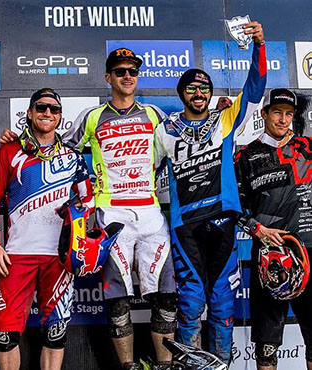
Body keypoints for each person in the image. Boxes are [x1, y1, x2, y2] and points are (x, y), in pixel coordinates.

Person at [154, 21, 266, 364]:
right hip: (185, 224)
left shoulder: (225, 120)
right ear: (182, 94)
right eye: (191, 89)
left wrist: (260, 46)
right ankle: (189, 365)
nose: (198, 94)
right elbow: (142, 174)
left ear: (209, 92)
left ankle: (222, 363)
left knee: (221, 302)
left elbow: (255, 89)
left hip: (223, 220)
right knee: (189, 302)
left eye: (203, 88)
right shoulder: (165, 130)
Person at [63, 48, 177, 370]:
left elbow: (185, 143)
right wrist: (23, 139)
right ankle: (127, 366)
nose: (128, 76)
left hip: (151, 214)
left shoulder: (154, 114)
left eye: (133, 71)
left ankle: (165, 365)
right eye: (120, 71)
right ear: (108, 77)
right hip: (111, 216)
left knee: (166, 298)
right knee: (117, 300)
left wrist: (217, 114)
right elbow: (60, 150)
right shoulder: (93, 117)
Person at [0, 88, 94, 370]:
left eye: (54, 110)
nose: (47, 113)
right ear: (29, 113)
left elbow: (88, 199)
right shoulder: (9, 152)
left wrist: (79, 236)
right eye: (41, 108)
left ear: (60, 117)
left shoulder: (74, 157)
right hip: (17, 254)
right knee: (4, 335)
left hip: (60, 257)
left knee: (55, 333)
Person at [235, 88, 312, 370]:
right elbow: (234, 207)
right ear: (264, 114)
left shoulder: (308, 148)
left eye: (288, 114)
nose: (283, 119)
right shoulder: (245, 156)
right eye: (277, 112)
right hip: (270, 257)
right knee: (266, 345)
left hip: (308, 251)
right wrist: (257, 230)